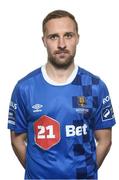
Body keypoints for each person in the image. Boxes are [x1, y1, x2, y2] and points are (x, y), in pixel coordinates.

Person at [8, 10, 116, 180]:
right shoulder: (25, 88)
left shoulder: (94, 86)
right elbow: (17, 140)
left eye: (68, 35)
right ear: (44, 41)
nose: (61, 44)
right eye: (53, 37)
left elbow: (105, 140)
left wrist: (86, 173)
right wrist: (38, 173)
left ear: (77, 38)